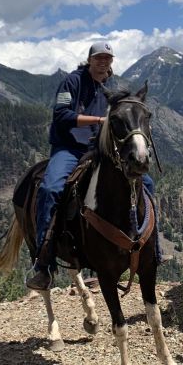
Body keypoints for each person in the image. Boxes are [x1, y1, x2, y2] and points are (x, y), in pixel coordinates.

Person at [26, 40, 116, 291]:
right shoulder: (72, 82)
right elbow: (61, 115)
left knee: (142, 182)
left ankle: (148, 249)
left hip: (95, 148)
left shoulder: (108, 85)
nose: (103, 62)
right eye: (98, 58)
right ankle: (42, 261)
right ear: (89, 60)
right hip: (69, 148)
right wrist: (99, 119)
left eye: (107, 58)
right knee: (51, 188)